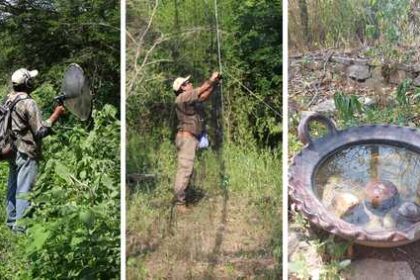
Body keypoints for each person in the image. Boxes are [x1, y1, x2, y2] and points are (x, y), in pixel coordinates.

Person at [6, 68, 65, 232]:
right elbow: (40, 131)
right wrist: (56, 114)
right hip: (26, 151)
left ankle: (11, 223)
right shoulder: (28, 102)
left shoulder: (9, 99)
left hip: (11, 150)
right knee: (25, 190)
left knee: (13, 187)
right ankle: (21, 229)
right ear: (27, 83)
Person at [172, 71, 221, 208]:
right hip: (187, 139)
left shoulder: (188, 98)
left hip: (190, 139)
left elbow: (204, 96)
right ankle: (179, 203)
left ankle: (183, 198)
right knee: (185, 170)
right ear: (182, 87)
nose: (191, 83)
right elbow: (202, 89)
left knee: (188, 169)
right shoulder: (183, 97)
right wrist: (212, 79)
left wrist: (215, 84)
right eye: (187, 83)